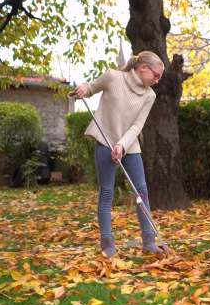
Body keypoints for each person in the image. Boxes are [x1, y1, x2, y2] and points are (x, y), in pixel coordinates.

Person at [73, 51, 170, 257]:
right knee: (106, 192)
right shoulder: (113, 77)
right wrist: (83, 88)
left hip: (129, 144)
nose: (157, 80)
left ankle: (149, 241)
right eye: (156, 75)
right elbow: (91, 88)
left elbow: (137, 125)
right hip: (105, 139)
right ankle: (107, 244)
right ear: (143, 67)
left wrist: (122, 146)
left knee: (141, 191)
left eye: (159, 77)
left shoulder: (149, 95)